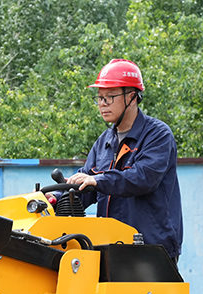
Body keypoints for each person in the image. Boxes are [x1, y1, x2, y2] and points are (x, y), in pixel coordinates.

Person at [59, 59, 183, 261]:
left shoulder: (158, 135)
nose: (102, 104)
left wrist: (98, 181)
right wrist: (53, 198)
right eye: (99, 98)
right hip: (110, 247)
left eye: (110, 97)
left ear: (132, 97)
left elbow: (142, 178)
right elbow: (86, 184)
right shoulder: (104, 142)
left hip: (150, 251)